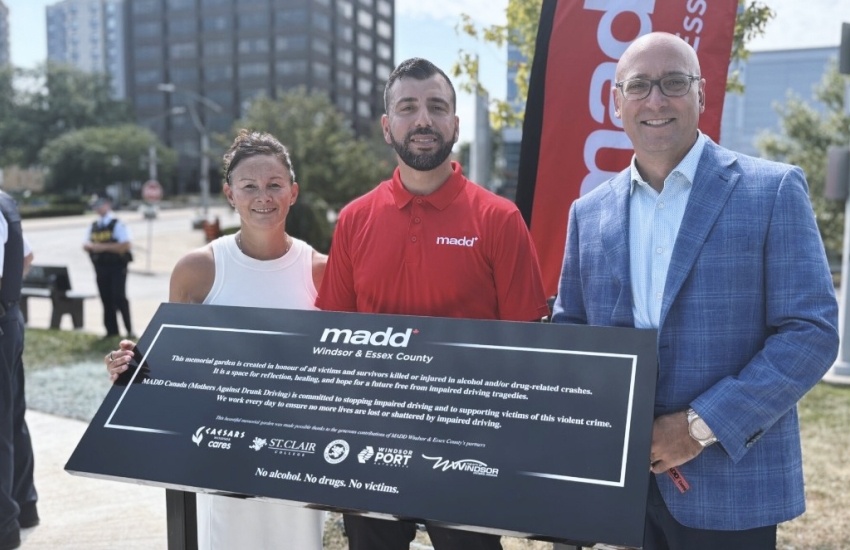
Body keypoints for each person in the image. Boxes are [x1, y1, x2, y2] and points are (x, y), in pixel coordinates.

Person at [550, 32, 839, 549]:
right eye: (638, 86)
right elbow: (573, 332)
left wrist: (699, 427)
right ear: (616, 102)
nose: (656, 100)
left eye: (674, 82)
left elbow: (811, 333)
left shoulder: (771, 190)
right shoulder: (587, 213)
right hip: (619, 491)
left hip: (730, 486)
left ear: (701, 95)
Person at [316, 58, 550, 550]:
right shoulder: (355, 220)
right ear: (387, 126)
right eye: (408, 107)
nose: (423, 119)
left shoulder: (500, 219)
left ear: (455, 124)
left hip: (467, 450)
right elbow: (331, 338)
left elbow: (528, 347)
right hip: (369, 444)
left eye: (436, 107)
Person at [106, 129, 327, 549]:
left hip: (298, 455)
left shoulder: (322, 270)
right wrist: (131, 367)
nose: (263, 195)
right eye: (249, 186)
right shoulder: (198, 269)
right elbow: (171, 369)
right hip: (220, 454)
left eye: (274, 184)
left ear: (293, 192)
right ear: (230, 194)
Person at [0, 190, 38, 550]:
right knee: (11, 418)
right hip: (8, 317)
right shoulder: (3, 201)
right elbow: (25, 256)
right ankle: (24, 506)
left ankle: (4, 525)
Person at [83, 193, 133, 338]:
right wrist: (93, 247)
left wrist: (101, 247)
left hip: (117, 267)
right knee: (106, 298)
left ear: (108, 204)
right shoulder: (94, 225)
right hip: (100, 267)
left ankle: (129, 330)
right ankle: (111, 332)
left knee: (119, 297)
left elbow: (124, 245)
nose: (97, 208)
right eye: (95, 205)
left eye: (100, 204)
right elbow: (86, 243)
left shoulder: (118, 223)